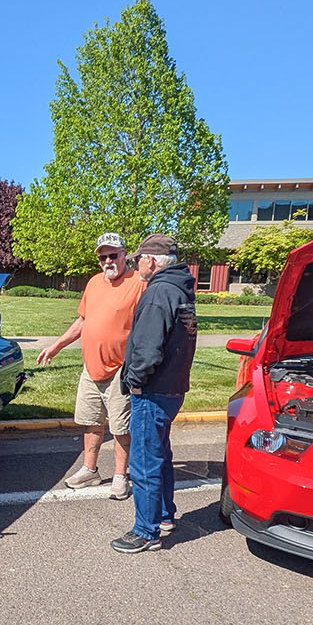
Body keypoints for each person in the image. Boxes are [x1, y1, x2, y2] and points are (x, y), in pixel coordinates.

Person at [36, 232, 145, 500]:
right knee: (90, 422)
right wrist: (57, 346)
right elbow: (83, 321)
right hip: (91, 367)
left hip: (121, 370)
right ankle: (90, 470)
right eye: (102, 257)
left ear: (125, 255)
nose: (108, 261)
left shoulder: (138, 284)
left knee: (121, 427)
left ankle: (120, 476)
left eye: (113, 255)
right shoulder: (95, 283)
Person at [111, 234, 196, 553]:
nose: (136, 265)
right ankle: (163, 515)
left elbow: (148, 348)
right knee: (160, 454)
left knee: (145, 460)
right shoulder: (179, 290)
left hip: (153, 389)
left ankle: (146, 531)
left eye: (138, 259)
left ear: (151, 260)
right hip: (173, 387)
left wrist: (134, 381)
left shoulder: (158, 292)